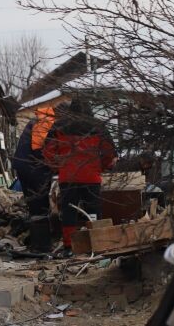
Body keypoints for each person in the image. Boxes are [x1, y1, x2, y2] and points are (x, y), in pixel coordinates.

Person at [43, 99, 117, 255]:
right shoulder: (99, 126)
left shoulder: (59, 126)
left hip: (68, 177)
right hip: (91, 177)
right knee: (93, 211)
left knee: (69, 213)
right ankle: (96, 244)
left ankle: (70, 247)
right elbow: (109, 153)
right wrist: (101, 167)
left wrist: (58, 168)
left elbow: (48, 151)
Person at [12, 106, 56, 252]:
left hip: (25, 167)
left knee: (34, 205)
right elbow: (39, 148)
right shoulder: (45, 122)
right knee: (40, 205)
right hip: (33, 168)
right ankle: (42, 246)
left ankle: (37, 243)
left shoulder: (38, 121)